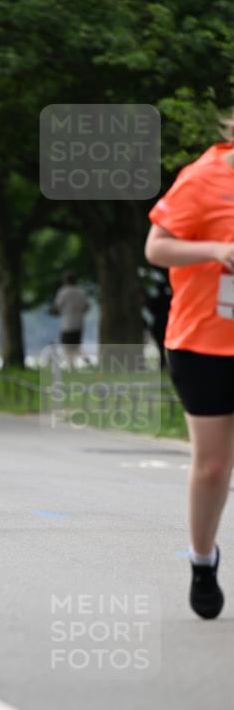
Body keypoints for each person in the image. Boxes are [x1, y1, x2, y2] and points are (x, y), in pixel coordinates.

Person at [145, 115, 234, 620]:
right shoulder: (204, 176)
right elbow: (156, 248)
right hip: (203, 340)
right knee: (214, 464)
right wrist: (217, 250)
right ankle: (203, 559)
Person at [51, 272, 89, 367]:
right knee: (76, 345)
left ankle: (71, 365)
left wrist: (57, 312)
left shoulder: (63, 292)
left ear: (65, 281)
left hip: (67, 324)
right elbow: (87, 306)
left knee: (67, 345)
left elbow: (57, 307)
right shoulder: (80, 292)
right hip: (79, 323)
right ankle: (80, 362)